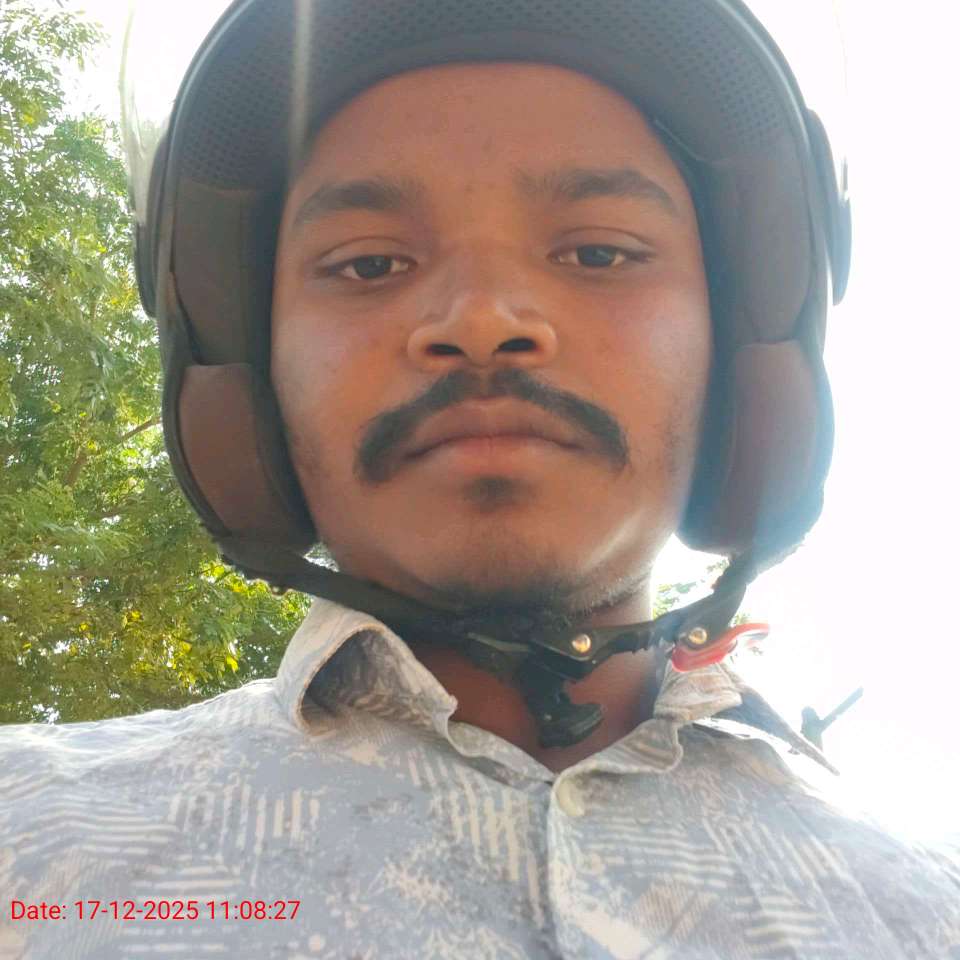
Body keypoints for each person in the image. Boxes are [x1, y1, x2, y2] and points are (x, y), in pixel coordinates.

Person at [1, 0, 957, 957]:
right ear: (248, 365)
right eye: (370, 263)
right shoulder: (27, 844)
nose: (483, 319)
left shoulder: (927, 914)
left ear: (741, 346)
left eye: (598, 252)